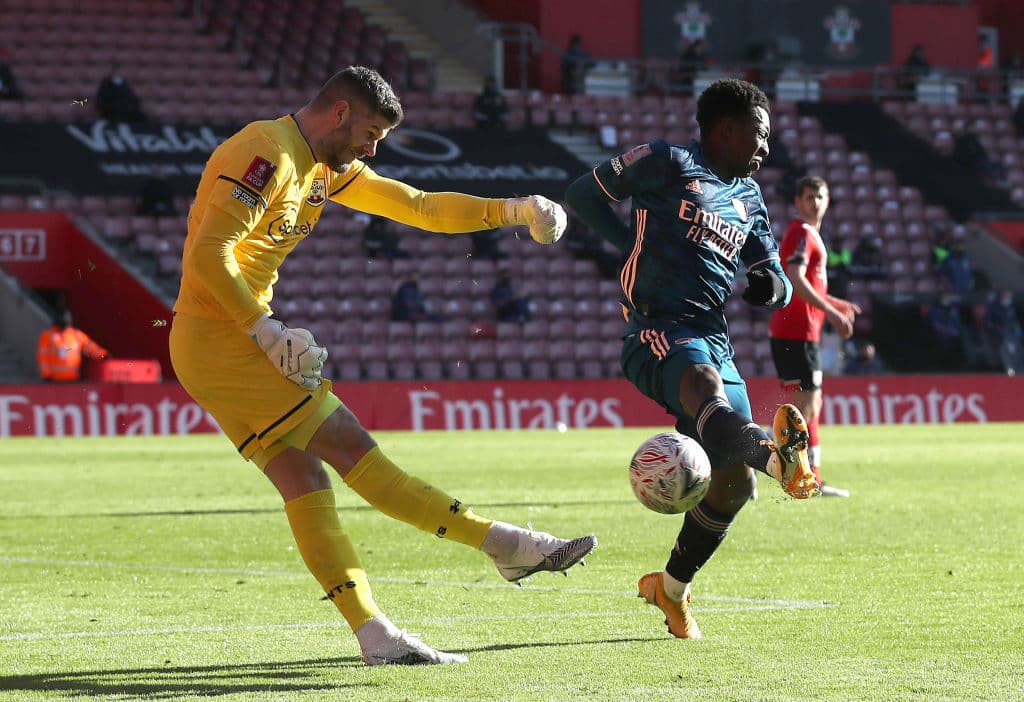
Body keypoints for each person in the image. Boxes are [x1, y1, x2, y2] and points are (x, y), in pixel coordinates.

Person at [168, 65, 595, 666]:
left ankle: (376, 636)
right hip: (224, 337)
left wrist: (513, 210)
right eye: (370, 134)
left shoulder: (323, 167)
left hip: (218, 341)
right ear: (338, 113)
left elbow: (418, 206)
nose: (372, 150)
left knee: (308, 483)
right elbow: (208, 254)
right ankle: (505, 544)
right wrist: (263, 330)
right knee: (352, 448)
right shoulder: (265, 152)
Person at [565, 78, 819, 641]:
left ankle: (671, 589)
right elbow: (583, 193)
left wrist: (767, 285)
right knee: (703, 385)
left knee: (733, 488)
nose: (766, 150)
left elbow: (774, 272)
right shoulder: (665, 160)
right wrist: (623, 244)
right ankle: (780, 461)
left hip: (713, 336)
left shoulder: (749, 196)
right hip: (656, 327)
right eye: (759, 136)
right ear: (726, 128)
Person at [768, 175, 859, 499]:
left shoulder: (812, 235)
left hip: (798, 332)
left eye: (819, 196)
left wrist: (835, 303)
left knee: (807, 407)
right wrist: (833, 314)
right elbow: (795, 278)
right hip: (797, 332)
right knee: (805, 408)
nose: (814, 202)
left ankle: (811, 477)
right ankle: (763, 455)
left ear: (828, 200)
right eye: (808, 197)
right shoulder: (802, 233)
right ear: (797, 202)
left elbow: (811, 286)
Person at [36, 310, 109, 382]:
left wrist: (103, 355)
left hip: (73, 380)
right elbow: (43, 357)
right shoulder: (48, 336)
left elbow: (92, 350)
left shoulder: (76, 335)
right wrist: (46, 375)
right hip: (55, 381)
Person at [984, 289, 1024, 376]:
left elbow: (1016, 320)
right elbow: (988, 323)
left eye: (1009, 296)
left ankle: (1020, 370)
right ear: (1002, 296)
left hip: (1015, 334)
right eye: (1006, 295)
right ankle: (1009, 369)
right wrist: (998, 329)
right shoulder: (994, 307)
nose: (1008, 298)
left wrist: (1018, 329)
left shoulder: (1014, 306)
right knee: (1006, 351)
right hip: (1001, 335)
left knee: (1018, 350)